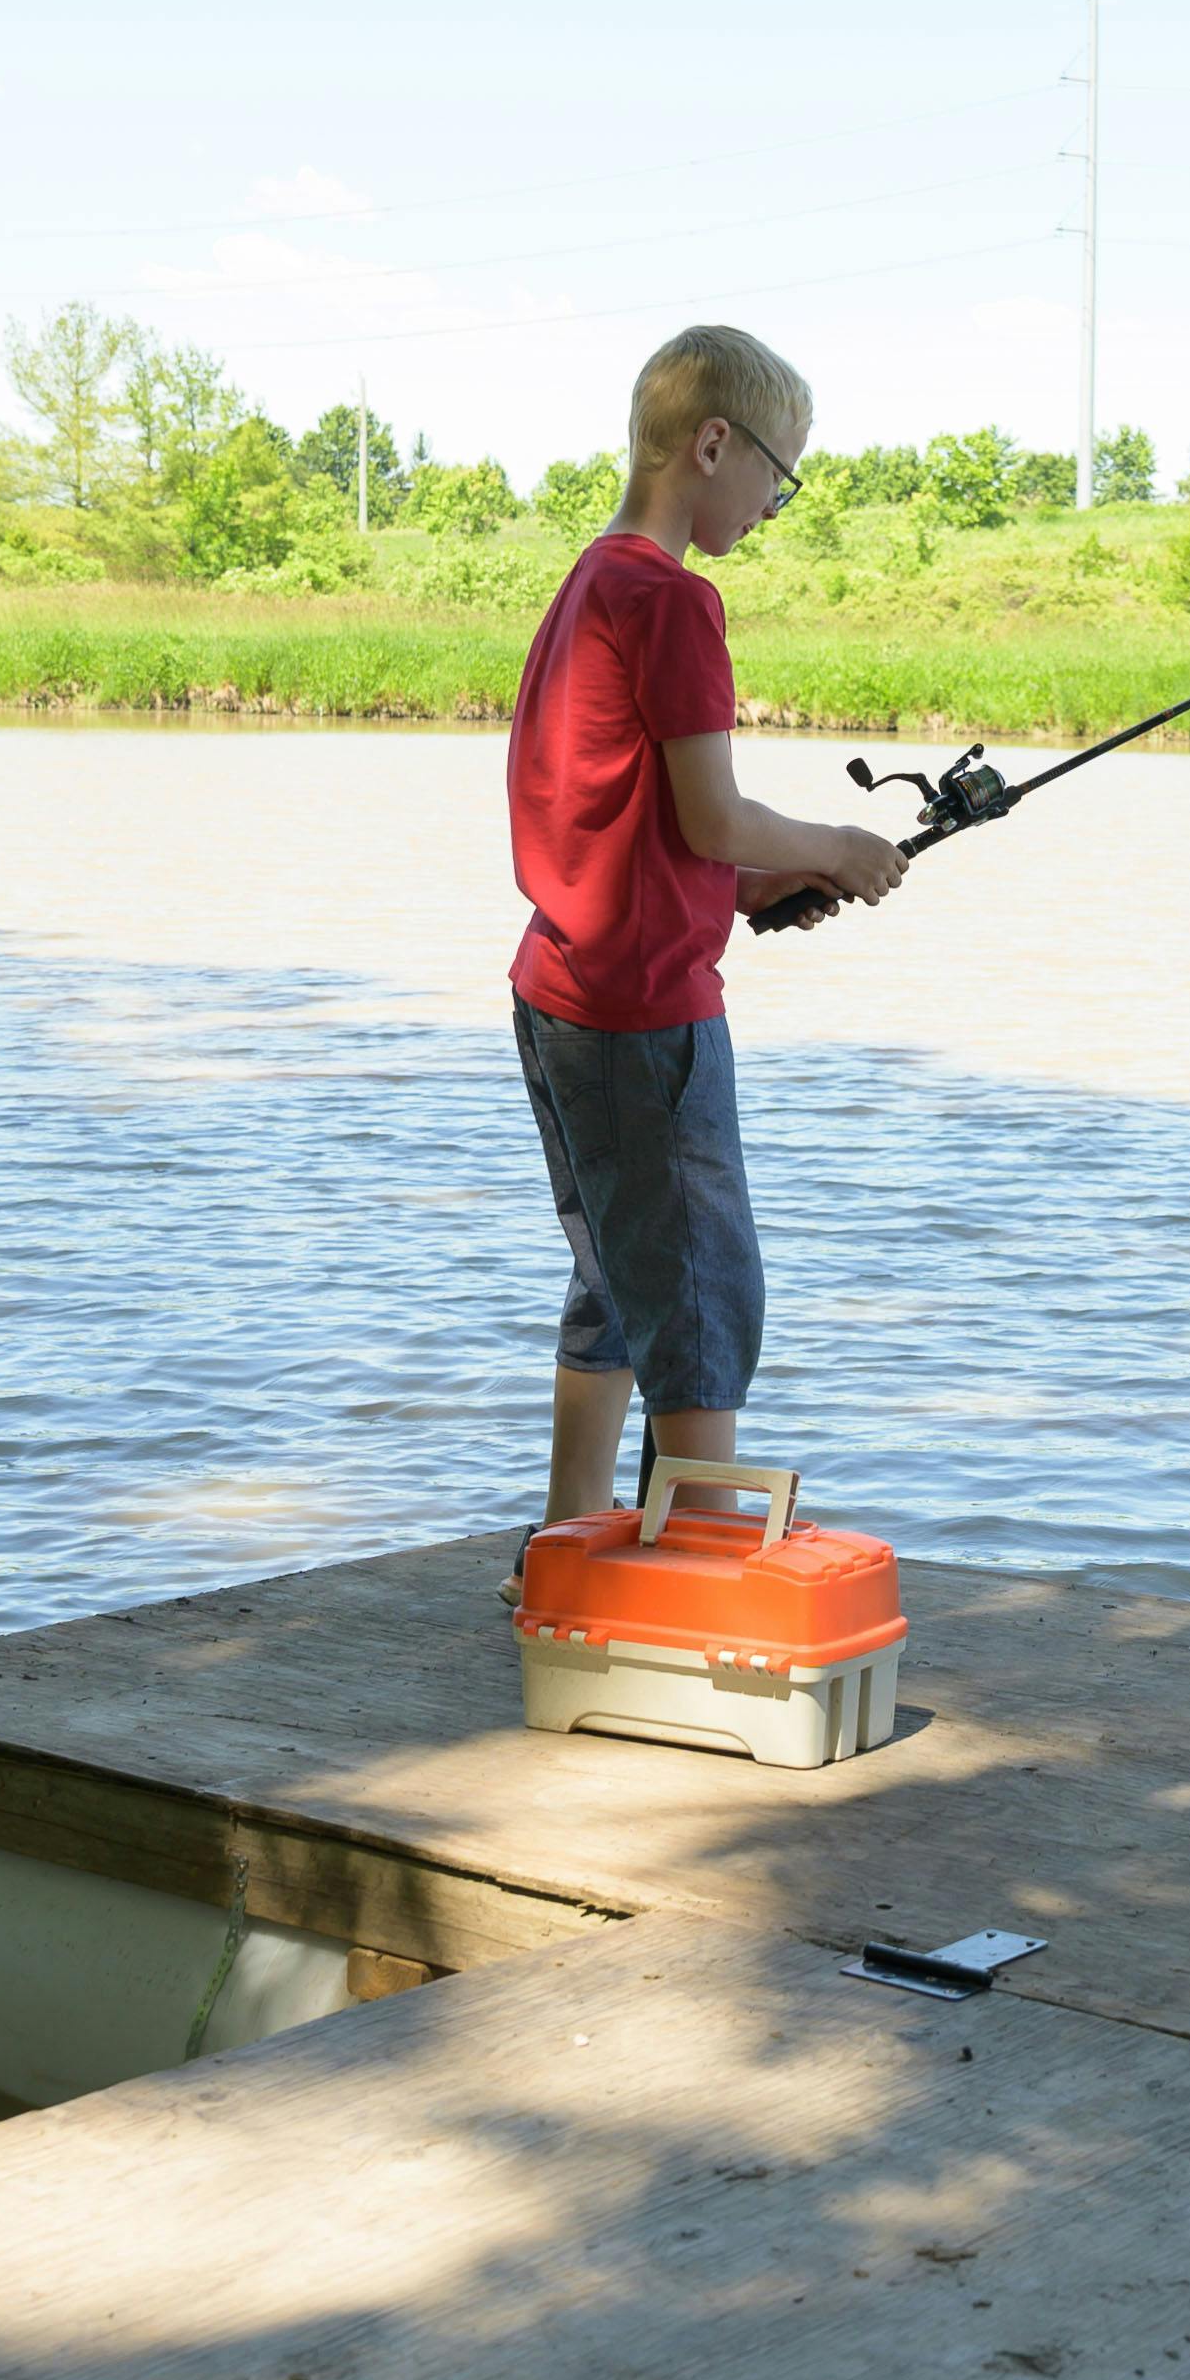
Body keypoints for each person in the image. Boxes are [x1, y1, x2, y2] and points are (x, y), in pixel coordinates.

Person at [505, 321, 914, 1526]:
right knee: (700, 1292)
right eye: (779, 474)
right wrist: (837, 848)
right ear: (714, 443)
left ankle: (567, 1542)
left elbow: (627, 817)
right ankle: (689, 1579)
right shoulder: (678, 601)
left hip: (558, 993)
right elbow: (717, 811)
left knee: (613, 1281)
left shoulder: (588, 586)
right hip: (645, 1021)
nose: (780, 504)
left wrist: (751, 889)